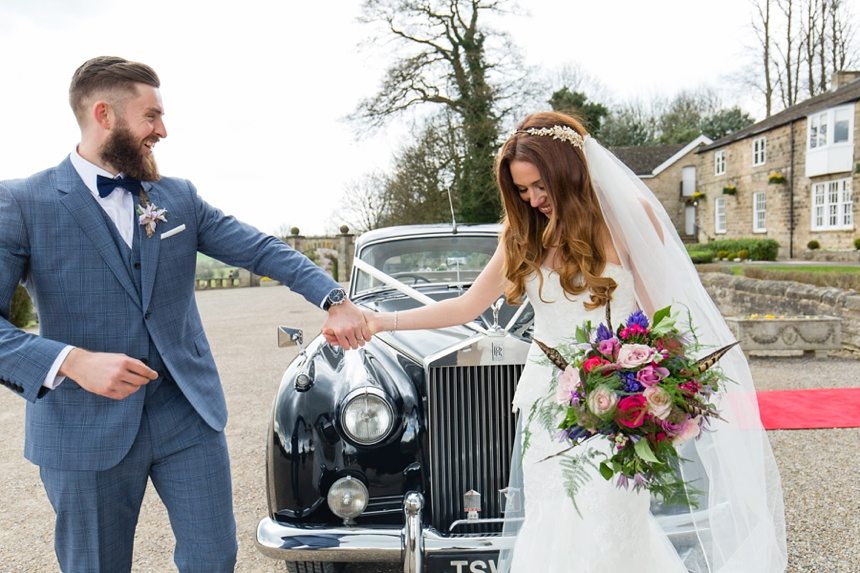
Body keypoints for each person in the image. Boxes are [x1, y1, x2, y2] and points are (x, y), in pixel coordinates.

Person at [356, 111, 787, 572]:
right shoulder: (521, 233)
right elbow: (466, 307)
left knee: (610, 519)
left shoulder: (628, 219)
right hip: (547, 401)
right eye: (522, 190)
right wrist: (380, 321)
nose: (533, 199)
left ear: (569, 170)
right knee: (552, 520)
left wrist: (660, 390)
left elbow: (665, 315)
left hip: (619, 401)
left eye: (540, 185)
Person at [0, 56, 370, 573]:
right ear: (104, 114)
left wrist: (335, 299)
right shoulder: (21, 202)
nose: (163, 130)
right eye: (151, 116)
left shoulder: (178, 197)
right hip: (82, 424)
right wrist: (70, 361)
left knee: (214, 558)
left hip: (186, 414)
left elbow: (260, 248)